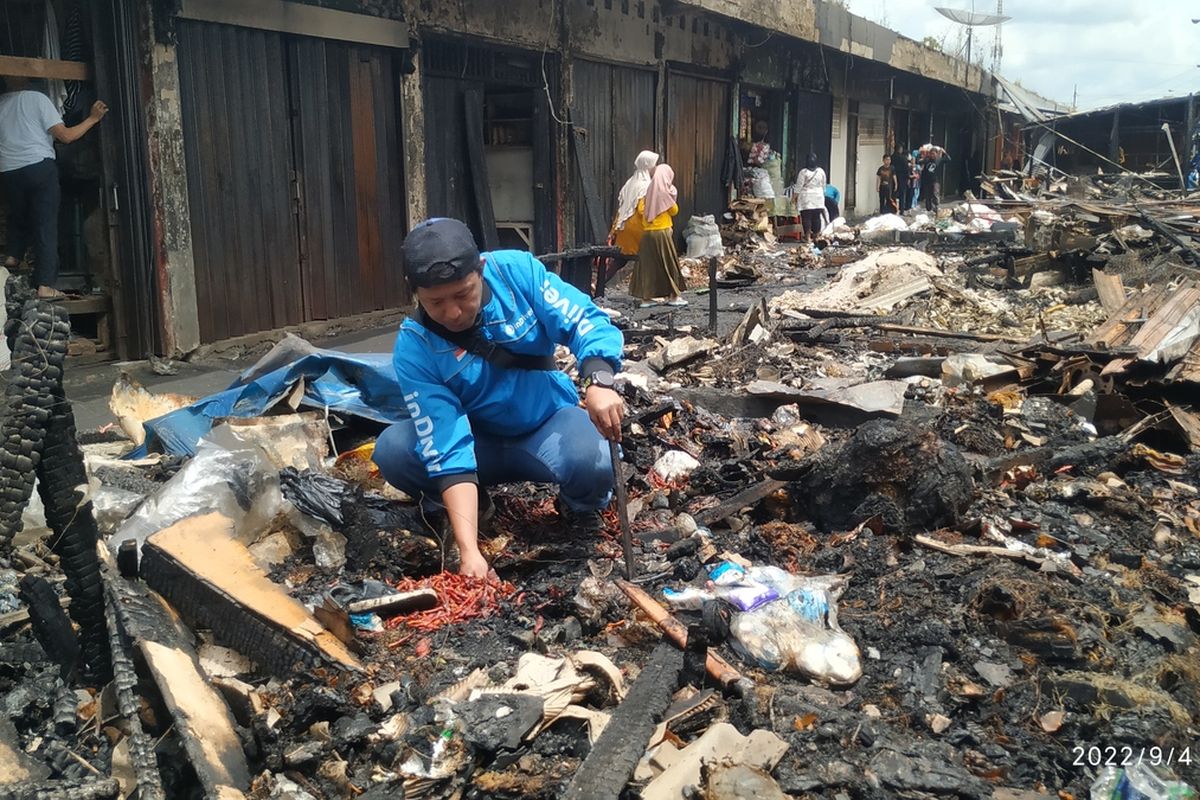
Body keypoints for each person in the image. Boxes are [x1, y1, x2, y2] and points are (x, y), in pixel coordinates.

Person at [372, 218, 626, 579]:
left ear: (482, 270)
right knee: (394, 449)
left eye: (463, 295)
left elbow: (583, 319)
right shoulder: (415, 347)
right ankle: (472, 509)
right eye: (435, 303)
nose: (453, 313)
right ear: (414, 293)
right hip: (480, 446)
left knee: (595, 460)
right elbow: (445, 443)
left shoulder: (515, 274)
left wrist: (599, 379)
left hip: (547, 424)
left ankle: (579, 509)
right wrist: (470, 551)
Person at [0, 77, 108, 299]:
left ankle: (13, 257)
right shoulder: (38, 99)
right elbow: (66, 136)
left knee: (17, 215)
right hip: (39, 168)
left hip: (8, 171)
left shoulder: (1, 104)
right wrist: (92, 119)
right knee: (45, 225)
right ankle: (45, 285)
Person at [599, 150, 658, 296]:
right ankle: (647, 293)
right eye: (654, 165)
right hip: (638, 229)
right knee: (650, 258)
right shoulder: (646, 186)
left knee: (620, 261)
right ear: (648, 166)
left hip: (624, 229)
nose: (655, 168)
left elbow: (621, 208)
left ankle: (598, 284)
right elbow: (643, 211)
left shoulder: (630, 183)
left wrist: (613, 231)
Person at [629, 164, 686, 308]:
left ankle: (646, 299)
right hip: (662, 232)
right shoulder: (665, 193)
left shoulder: (648, 192)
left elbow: (641, 210)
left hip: (647, 233)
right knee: (668, 263)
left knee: (647, 265)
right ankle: (673, 296)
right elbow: (674, 210)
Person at [791, 153, 826, 242]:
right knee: (816, 217)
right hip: (818, 197)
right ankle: (816, 236)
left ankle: (807, 237)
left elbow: (798, 187)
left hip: (806, 197)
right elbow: (824, 185)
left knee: (806, 217)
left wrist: (793, 198)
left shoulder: (803, 172)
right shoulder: (821, 171)